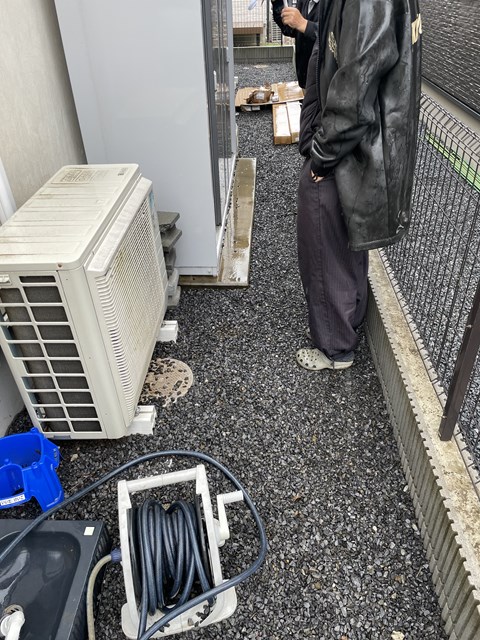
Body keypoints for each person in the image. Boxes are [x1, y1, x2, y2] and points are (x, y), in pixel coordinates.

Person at [295, 0, 422, 371]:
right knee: (346, 244)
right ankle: (349, 321)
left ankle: (335, 348)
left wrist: (322, 157)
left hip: (350, 152)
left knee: (323, 246)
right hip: (363, 150)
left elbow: (355, 87)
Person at [271, 0, 320, 89]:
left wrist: (304, 24)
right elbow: (290, 29)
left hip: (325, 85)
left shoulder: (335, 5)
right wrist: (277, 2)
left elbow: (335, 35)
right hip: (305, 79)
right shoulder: (305, 2)